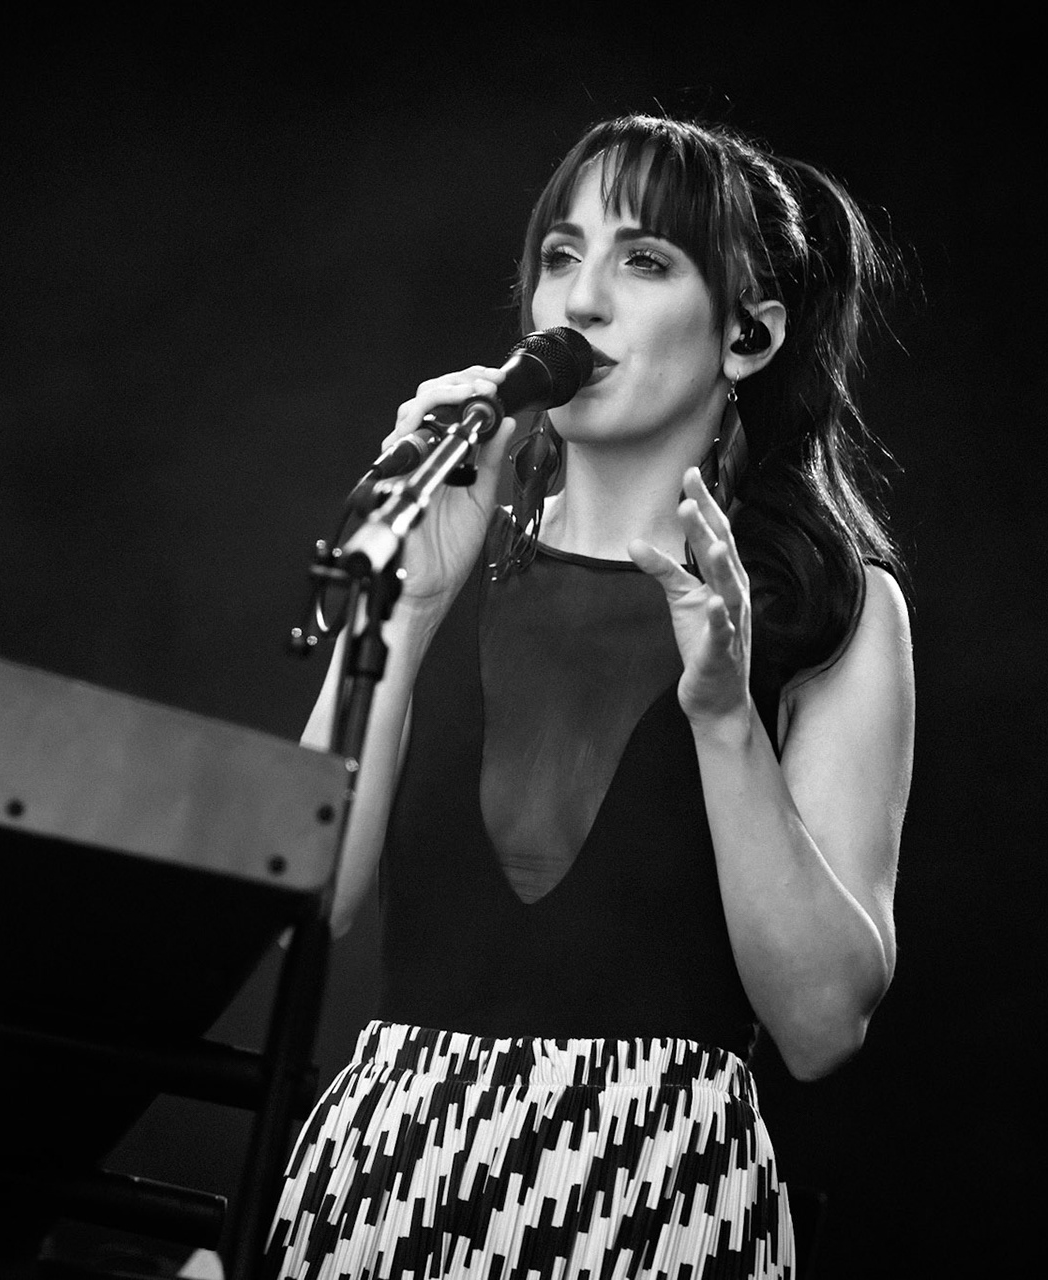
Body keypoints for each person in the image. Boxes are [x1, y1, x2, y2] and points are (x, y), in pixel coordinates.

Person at [265, 114, 914, 1279]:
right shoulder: (451, 559)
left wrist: (723, 718)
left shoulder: (835, 610)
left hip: (660, 1180)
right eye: (561, 257)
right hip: (386, 1166)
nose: (582, 300)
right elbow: (301, 911)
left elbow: (822, 1026)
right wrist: (403, 625)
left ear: (750, 336)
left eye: (645, 260)